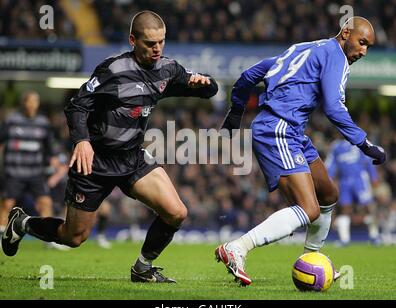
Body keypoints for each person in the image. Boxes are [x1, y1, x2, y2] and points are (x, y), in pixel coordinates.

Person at [2, 10, 218, 283]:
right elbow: (77, 105)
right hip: (95, 163)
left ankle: (142, 268)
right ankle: (22, 223)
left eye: (161, 42)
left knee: (176, 212)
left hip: (132, 158)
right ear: (132, 40)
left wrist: (206, 82)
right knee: (74, 237)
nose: (157, 48)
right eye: (150, 43)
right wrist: (82, 140)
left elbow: (207, 89)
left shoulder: (167, 69)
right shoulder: (113, 70)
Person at [215, 16, 386, 286]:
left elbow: (251, 74)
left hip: (291, 131)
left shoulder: (303, 47)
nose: (363, 51)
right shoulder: (337, 58)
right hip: (279, 130)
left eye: (369, 47)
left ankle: (311, 260)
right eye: (361, 43)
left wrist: (236, 112)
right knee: (309, 209)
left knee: (328, 193)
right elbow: (333, 107)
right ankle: (237, 247)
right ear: (345, 33)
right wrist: (364, 143)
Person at [0, 91, 69, 251]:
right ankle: (2, 237)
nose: (31, 105)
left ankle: (49, 240)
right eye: (29, 102)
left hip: (36, 173)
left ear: (37, 104)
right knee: (7, 204)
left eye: (34, 102)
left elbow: (49, 150)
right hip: (14, 172)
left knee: (45, 203)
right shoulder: (12, 121)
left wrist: (57, 165)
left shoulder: (43, 123)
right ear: (23, 103)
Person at [326, 138, 380, 245]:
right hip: (344, 181)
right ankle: (344, 240)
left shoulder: (358, 141)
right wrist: (328, 179)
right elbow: (331, 164)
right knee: (345, 208)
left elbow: (368, 161)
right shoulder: (336, 146)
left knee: (367, 207)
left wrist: (374, 177)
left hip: (360, 179)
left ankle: (375, 236)